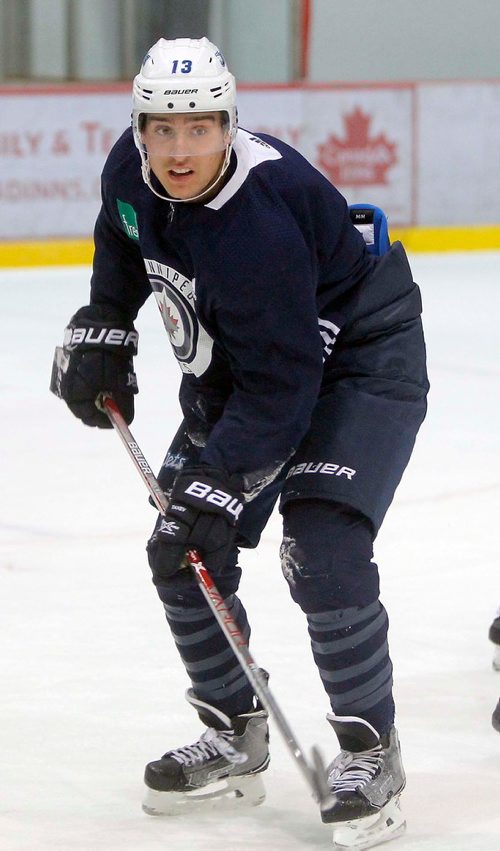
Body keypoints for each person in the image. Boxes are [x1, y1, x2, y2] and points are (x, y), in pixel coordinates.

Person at [51, 37, 429, 848]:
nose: (179, 148)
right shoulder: (130, 170)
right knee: (179, 542)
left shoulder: (255, 221)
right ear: (139, 128)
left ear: (229, 125)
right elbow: (123, 235)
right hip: (257, 360)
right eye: (161, 127)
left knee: (322, 546)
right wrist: (106, 323)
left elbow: (285, 385)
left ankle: (372, 749)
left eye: (199, 128)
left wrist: (224, 479)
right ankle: (234, 731)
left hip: (358, 357)